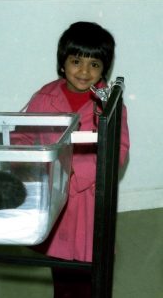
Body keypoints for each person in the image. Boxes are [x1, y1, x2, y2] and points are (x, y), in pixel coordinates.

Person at [14, 22, 130, 297]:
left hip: (90, 198)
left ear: (104, 69)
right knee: (62, 268)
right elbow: (21, 136)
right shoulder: (44, 97)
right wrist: (28, 166)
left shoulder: (110, 105)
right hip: (53, 197)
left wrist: (76, 171)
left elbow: (119, 150)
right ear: (63, 62)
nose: (84, 71)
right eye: (76, 61)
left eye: (94, 65)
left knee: (92, 268)